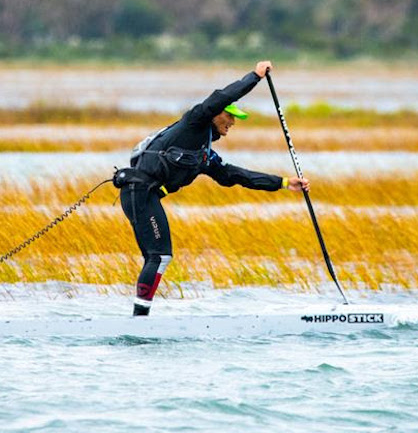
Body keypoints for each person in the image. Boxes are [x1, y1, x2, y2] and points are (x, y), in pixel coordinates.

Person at [114, 60, 310, 316]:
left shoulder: (205, 155)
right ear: (216, 113)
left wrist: (283, 183)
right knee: (160, 256)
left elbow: (234, 175)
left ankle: (139, 319)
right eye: (230, 116)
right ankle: (139, 322)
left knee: (156, 257)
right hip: (138, 192)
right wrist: (255, 76)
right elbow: (223, 95)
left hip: (143, 196)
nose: (233, 122)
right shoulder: (194, 122)